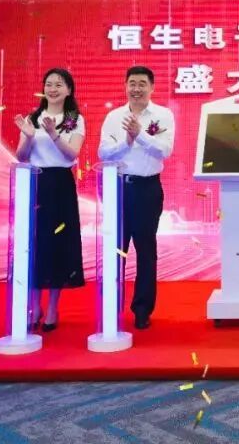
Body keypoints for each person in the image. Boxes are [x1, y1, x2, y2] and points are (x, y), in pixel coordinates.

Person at [97, 66, 174, 330]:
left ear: (151, 87)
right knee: (115, 249)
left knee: (145, 250)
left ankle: (142, 309)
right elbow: (103, 153)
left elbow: (165, 150)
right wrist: (127, 143)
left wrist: (139, 134)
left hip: (147, 189)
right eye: (132, 83)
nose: (136, 88)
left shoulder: (163, 115)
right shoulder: (113, 117)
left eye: (142, 83)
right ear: (125, 86)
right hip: (117, 188)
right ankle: (112, 306)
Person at [14, 68, 86, 333]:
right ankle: (34, 306)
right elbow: (21, 157)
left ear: (69, 90)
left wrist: (54, 134)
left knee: (58, 245)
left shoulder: (75, 119)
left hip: (60, 185)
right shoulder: (33, 118)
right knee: (35, 244)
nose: (52, 89)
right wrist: (28, 136)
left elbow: (71, 155)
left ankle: (53, 307)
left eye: (58, 84)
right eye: (48, 84)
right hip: (35, 183)